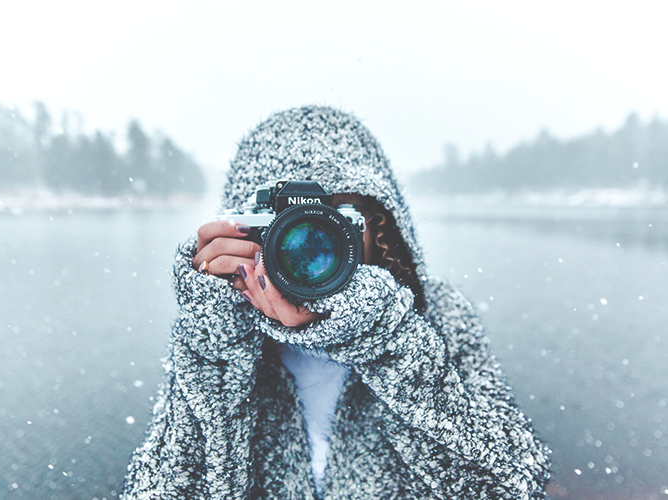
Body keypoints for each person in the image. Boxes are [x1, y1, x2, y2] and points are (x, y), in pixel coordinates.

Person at [121, 106, 551, 499]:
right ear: (243, 228)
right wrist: (213, 345)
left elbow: (511, 485)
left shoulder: (437, 315)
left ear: (379, 225)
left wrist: (386, 338)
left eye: (338, 218)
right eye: (283, 223)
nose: (308, 241)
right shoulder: (222, 330)